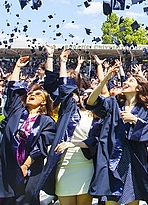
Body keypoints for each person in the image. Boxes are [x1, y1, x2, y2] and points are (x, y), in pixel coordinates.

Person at [0, 56, 56, 205]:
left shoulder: (47, 122)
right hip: (7, 163)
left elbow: (40, 147)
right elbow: (13, 90)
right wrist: (17, 67)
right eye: (30, 93)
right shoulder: (16, 112)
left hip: (30, 167)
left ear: (43, 101)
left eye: (37, 94)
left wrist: (25, 165)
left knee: (24, 199)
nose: (31, 95)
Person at [85, 61, 148, 205]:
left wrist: (136, 120)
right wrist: (105, 80)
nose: (126, 82)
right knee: (110, 200)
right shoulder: (114, 104)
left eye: (131, 80)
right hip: (111, 159)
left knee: (131, 199)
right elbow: (91, 102)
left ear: (139, 88)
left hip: (133, 159)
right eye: (126, 80)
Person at [37, 46, 98, 205]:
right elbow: (53, 84)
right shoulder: (68, 107)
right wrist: (57, 60)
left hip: (86, 163)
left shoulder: (95, 111)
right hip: (65, 162)